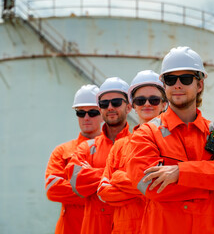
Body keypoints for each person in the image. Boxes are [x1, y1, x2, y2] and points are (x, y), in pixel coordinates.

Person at [127, 46, 214, 233]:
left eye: (186, 79)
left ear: (199, 85)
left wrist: (179, 173)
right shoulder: (146, 134)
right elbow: (150, 186)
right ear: (164, 86)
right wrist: (211, 181)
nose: (177, 85)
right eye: (170, 79)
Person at [97, 70, 167, 233]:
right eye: (140, 100)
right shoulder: (120, 145)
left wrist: (119, 177)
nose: (147, 104)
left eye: (154, 99)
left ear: (164, 104)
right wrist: (143, 188)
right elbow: (103, 192)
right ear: (133, 105)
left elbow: (164, 188)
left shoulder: (172, 142)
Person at [66, 77, 132, 234]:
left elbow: (140, 183)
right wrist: (117, 175)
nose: (110, 107)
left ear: (129, 107)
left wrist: (95, 176)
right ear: (101, 109)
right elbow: (77, 182)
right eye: (104, 104)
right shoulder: (87, 148)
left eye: (116, 102)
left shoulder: (138, 143)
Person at [45, 84, 103, 234]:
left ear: (103, 112)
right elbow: (53, 189)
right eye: (80, 113)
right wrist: (101, 190)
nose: (86, 117)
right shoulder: (63, 151)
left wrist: (78, 186)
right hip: (70, 229)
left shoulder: (116, 148)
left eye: (92, 112)